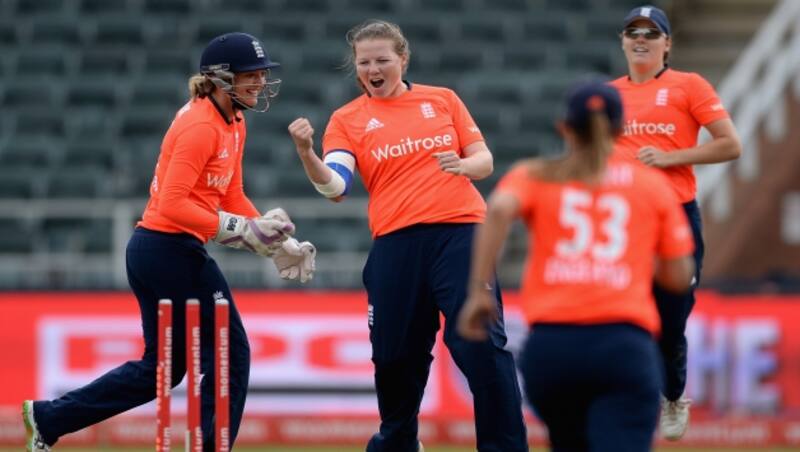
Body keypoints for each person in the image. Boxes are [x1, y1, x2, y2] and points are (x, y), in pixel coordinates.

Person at [22, 32, 316, 452]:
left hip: (159, 250)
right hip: (168, 248)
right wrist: (239, 230)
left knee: (162, 368)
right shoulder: (200, 125)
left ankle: (49, 418)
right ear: (220, 77)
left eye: (261, 74)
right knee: (230, 354)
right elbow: (174, 204)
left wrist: (274, 242)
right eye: (250, 74)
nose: (259, 82)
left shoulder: (234, 122)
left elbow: (231, 195)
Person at [287, 19, 528, 452]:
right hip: (396, 243)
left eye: (382, 60)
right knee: (394, 356)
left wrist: (462, 165)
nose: (372, 69)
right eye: (364, 63)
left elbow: (485, 161)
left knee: (479, 345)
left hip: (460, 232)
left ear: (403, 59)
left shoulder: (442, 99)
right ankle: (399, 442)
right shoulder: (347, 119)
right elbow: (336, 187)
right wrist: (307, 154)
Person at [458, 81, 696, 452]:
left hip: (552, 350)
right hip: (623, 344)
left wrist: (478, 291)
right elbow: (679, 277)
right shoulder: (651, 185)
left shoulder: (537, 174)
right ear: (620, 129)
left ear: (564, 127)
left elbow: (500, 209)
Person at [611, 5, 742, 440]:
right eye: (633, 32)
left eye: (651, 32)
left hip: (674, 217)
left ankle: (671, 394)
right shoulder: (607, 96)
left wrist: (671, 158)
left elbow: (730, 144)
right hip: (622, 220)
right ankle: (627, 396)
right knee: (618, 314)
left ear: (667, 43)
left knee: (671, 316)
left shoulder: (689, 86)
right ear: (622, 41)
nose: (641, 39)